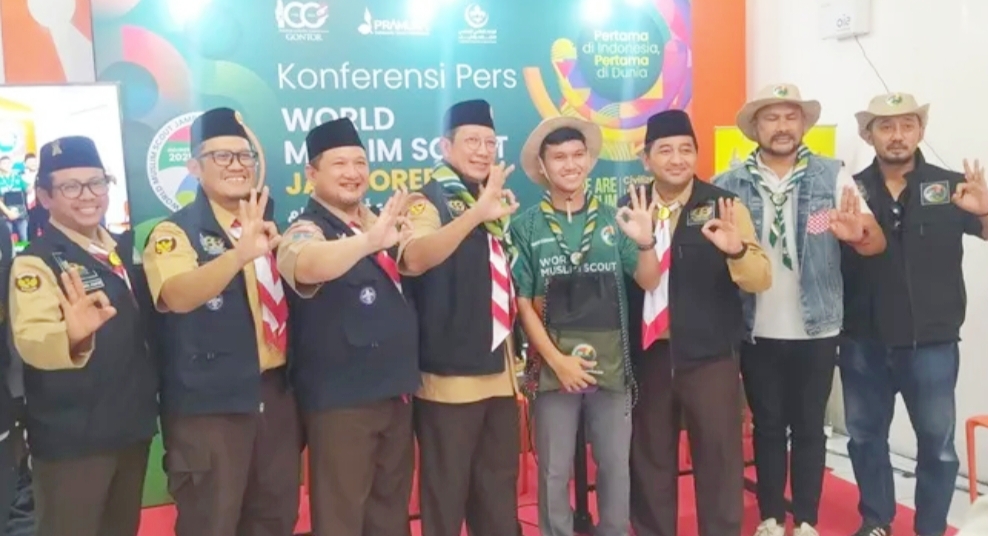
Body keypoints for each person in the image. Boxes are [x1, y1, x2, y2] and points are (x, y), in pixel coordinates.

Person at [713, 83, 887, 536]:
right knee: (768, 427)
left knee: (811, 428)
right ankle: (771, 517)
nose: (783, 126)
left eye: (791, 117)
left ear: (804, 124)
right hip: (756, 327)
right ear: (755, 127)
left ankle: (807, 519)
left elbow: (875, 241)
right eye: (772, 118)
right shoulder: (728, 183)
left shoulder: (833, 175)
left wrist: (857, 235)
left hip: (818, 327)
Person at [142, 107, 301, 536]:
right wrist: (238, 255)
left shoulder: (271, 227)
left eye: (244, 155)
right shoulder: (174, 232)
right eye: (221, 156)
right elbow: (176, 295)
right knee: (211, 521)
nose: (237, 165)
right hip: (209, 407)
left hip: (275, 396)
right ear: (194, 167)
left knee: (275, 517)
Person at [840, 92, 988, 536]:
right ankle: (877, 520)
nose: (897, 135)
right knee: (865, 438)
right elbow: (817, 243)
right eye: (886, 126)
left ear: (920, 131)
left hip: (932, 342)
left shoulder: (953, 187)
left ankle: (930, 528)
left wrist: (985, 211)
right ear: (868, 135)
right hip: (863, 339)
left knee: (938, 448)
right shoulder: (847, 190)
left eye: (907, 125)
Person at [510, 116, 662, 536]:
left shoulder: (617, 221)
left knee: (615, 466)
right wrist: (558, 362)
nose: (570, 164)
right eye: (559, 157)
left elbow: (649, 281)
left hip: (611, 367)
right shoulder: (525, 227)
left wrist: (645, 241)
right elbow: (523, 303)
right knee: (554, 472)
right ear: (543, 166)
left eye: (578, 155)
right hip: (552, 369)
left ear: (591, 161)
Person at [626, 109, 772, 536]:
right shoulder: (629, 207)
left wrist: (735, 250)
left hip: (711, 356)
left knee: (719, 459)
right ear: (646, 157)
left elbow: (760, 278)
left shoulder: (724, 205)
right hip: (650, 354)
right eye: (665, 150)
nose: (677, 159)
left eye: (686, 149)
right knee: (650, 458)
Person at [7, 136, 158, 536]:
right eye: (71, 187)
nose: (88, 195)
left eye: (96, 182)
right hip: (73, 441)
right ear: (44, 196)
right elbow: (32, 339)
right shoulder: (36, 262)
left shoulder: (121, 249)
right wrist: (71, 337)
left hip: (130, 428)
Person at [277, 117, 420, 536]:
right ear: (311, 173)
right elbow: (307, 263)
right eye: (339, 164)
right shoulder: (306, 228)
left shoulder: (378, 222)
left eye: (360, 162)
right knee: (342, 518)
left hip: (395, 393)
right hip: (342, 403)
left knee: (391, 514)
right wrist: (369, 242)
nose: (353, 173)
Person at [399, 99, 522, 536]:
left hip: (500, 374)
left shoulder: (490, 198)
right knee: (446, 498)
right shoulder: (427, 200)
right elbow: (415, 257)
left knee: (498, 496)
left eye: (490, 142)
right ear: (445, 146)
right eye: (472, 141)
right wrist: (475, 215)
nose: (483, 151)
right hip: (449, 379)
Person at [0, 156, 29, 244]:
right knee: (7, 240)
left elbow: (28, 190)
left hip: (20, 213)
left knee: (24, 238)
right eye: (4, 163)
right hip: (5, 214)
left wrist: (30, 176)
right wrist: (8, 213)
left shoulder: (17, 177)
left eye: (9, 163)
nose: (7, 165)